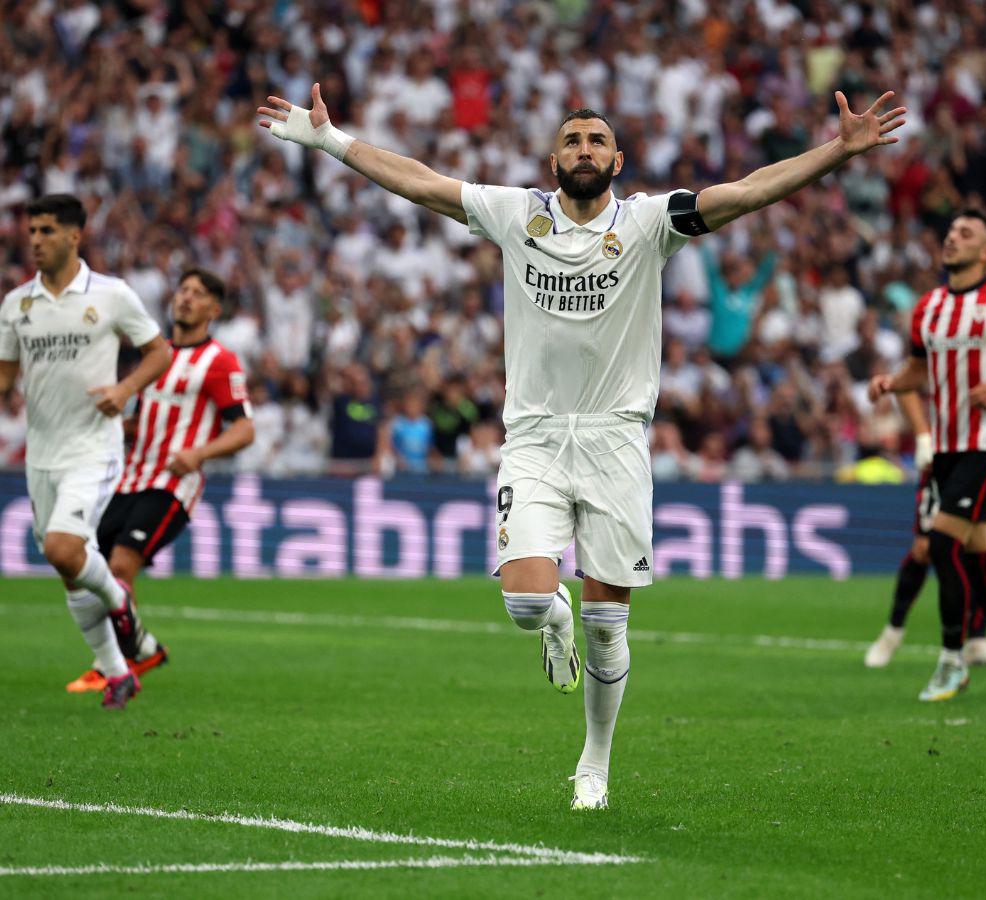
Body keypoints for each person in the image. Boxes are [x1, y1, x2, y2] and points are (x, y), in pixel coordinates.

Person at [260, 82, 905, 808]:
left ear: (619, 159)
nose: (585, 150)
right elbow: (422, 183)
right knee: (528, 606)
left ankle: (594, 762)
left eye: (597, 141)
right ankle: (551, 620)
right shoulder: (516, 214)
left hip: (615, 441)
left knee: (608, 626)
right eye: (573, 140)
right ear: (553, 157)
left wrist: (835, 151)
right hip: (533, 438)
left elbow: (747, 192)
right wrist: (333, 142)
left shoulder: (650, 223)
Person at [869, 210, 986, 702]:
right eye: (950, 231)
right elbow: (917, 371)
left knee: (941, 544)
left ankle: (952, 659)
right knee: (976, 562)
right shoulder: (928, 306)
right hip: (948, 447)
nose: (952, 237)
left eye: (965, 234)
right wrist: (891, 383)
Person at [0, 194, 171, 710]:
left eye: (47, 230)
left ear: (75, 236)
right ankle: (120, 672)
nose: (35, 240)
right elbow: (5, 377)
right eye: (32, 231)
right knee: (68, 566)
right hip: (42, 455)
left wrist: (124, 391)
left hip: (93, 448)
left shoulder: (112, 295)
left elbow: (158, 352)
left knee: (63, 549)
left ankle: (121, 606)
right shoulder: (16, 305)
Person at [66, 269, 255, 693]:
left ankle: (115, 662)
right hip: (129, 478)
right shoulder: (156, 357)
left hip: (171, 485)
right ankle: (141, 648)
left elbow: (244, 430)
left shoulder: (219, 361)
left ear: (214, 309)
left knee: (119, 567)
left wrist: (198, 454)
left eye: (199, 294)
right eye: (183, 290)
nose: (186, 298)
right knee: (84, 567)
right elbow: (147, 422)